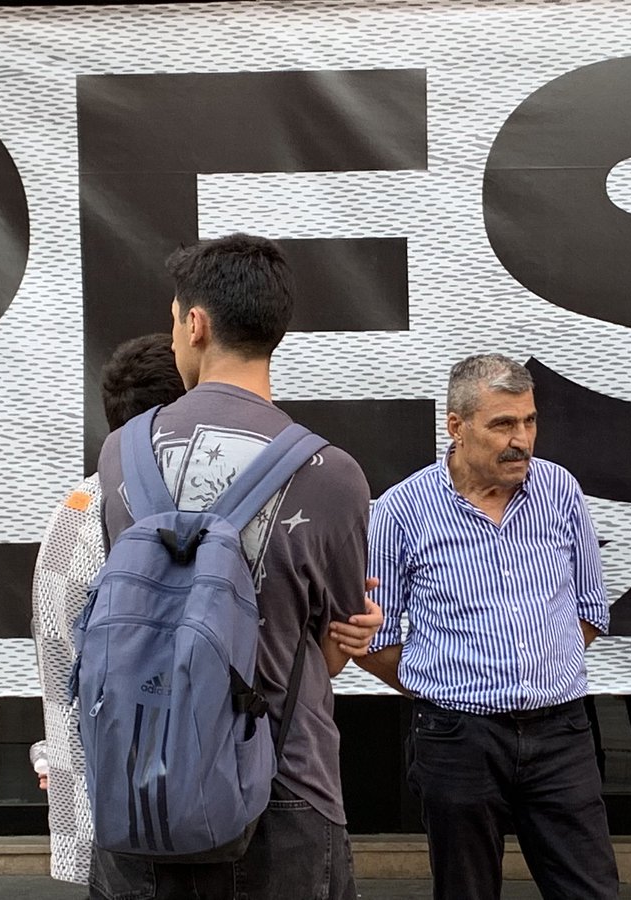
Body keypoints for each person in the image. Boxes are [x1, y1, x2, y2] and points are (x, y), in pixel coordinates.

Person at [92, 234, 380, 900]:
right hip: (282, 791)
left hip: (143, 783)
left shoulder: (121, 455)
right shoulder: (332, 474)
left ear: (196, 324)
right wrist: (350, 636)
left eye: (172, 323)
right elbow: (330, 651)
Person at [357, 353, 619, 900]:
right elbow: (374, 640)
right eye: (502, 424)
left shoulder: (559, 491)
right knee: (466, 891)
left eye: (529, 421)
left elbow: (590, 611)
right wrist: (447, 688)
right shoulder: (402, 509)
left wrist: (540, 671)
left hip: (561, 732)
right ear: (456, 426)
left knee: (591, 889)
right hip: (456, 739)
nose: (521, 439)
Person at [32, 333, 186, 884]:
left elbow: (58, 663)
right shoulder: (220, 502)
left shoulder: (76, 509)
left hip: (111, 804)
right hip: (219, 795)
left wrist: (61, 767)